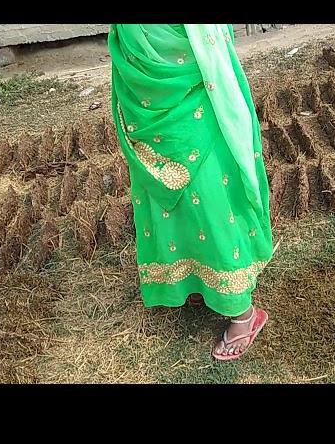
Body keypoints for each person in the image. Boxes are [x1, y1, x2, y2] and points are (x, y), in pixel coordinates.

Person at [109, 24, 273, 361]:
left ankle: (244, 315)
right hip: (142, 90)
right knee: (172, 204)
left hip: (193, 95)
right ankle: (198, 279)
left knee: (209, 204)